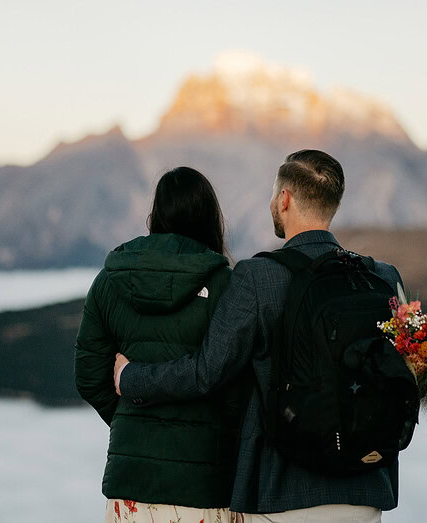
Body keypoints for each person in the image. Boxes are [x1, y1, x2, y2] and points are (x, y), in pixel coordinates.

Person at [114, 150, 407, 523]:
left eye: (273, 194)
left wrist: (132, 377)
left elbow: (206, 372)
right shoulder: (383, 276)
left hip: (281, 492)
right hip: (366, 489)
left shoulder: (257, 277)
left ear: (284, 199)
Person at [74, 166, 249, 523]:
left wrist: (133, 420)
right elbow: (238, 387)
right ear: (209, 218)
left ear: (156, 215)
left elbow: (90, 377)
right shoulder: (223, 285)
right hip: (202, 484)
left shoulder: (109, 281)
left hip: (130, 484)